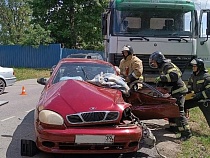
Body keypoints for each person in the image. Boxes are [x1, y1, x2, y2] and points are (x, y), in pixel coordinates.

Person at [149, 51, 192, 141]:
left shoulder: (167, 65)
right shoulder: (163, 66)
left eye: (153, 61)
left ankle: (186, 133)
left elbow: (174, 76)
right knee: (171, 109)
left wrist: (161, 78)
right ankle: (174, 127)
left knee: (178, 112)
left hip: (179, 91)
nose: (152, 63)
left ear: (158, 60)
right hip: (174, 91)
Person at [184, 58, 210, 127]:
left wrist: (199, 95)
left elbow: (209, 91)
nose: (193, 68)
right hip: (196, 98)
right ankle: (183, 125)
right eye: (193, 66)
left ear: (199, 67)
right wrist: (188, 93)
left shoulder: (207, 77)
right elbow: (189, 85)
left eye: (194, 66)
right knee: (182, 104)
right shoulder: (193, 76)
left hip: (206, 100)